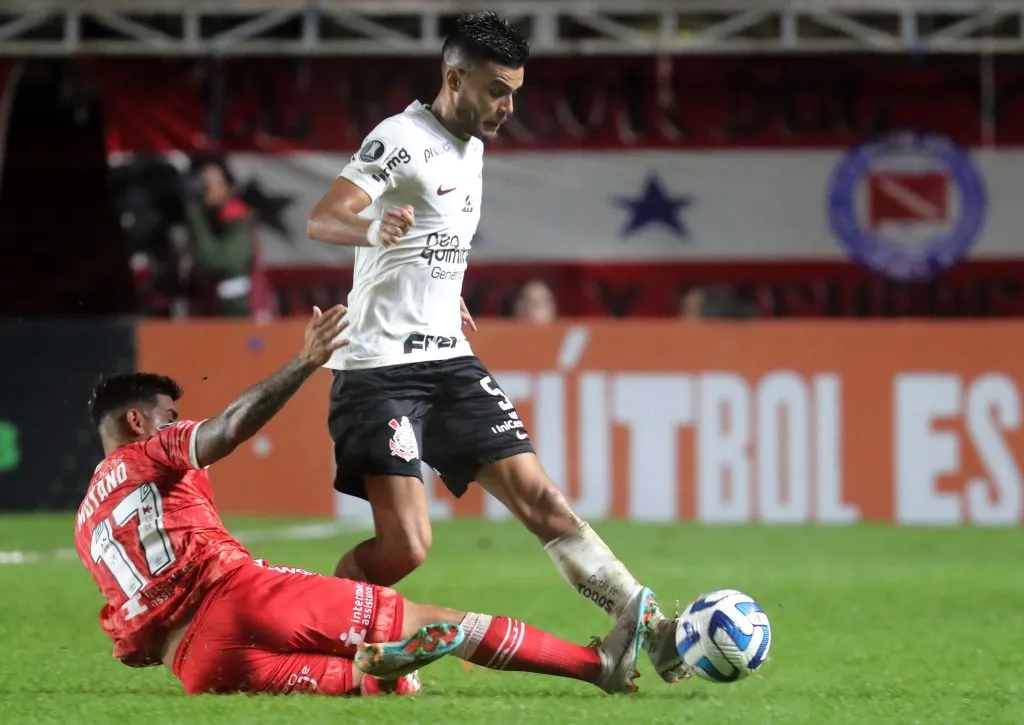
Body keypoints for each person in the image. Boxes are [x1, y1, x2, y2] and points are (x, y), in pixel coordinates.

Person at [306, 11, 684, 683]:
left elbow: (435, 241)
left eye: (514, 91)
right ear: (454, 78)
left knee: (546, 502)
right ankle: (333, 640)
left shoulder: (472, 146)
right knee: (407, 545)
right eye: (495, 91)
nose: (508, 107)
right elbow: (323, 217)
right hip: (380, 369)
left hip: (447, 359)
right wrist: (373, 230)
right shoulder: (399, 139)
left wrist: (443, 291)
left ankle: (642, 623)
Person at [74, 306, 654, 697]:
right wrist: (304, 362)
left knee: (386, 686)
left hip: (198, 665)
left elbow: (130, 640)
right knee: (446, 622)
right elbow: (227, 429)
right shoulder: (151, 452)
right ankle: (599, 666)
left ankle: (385, 663)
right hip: (243, 600)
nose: (176, 421)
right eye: (167, 414)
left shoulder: (85, 523)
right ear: (136, 421)